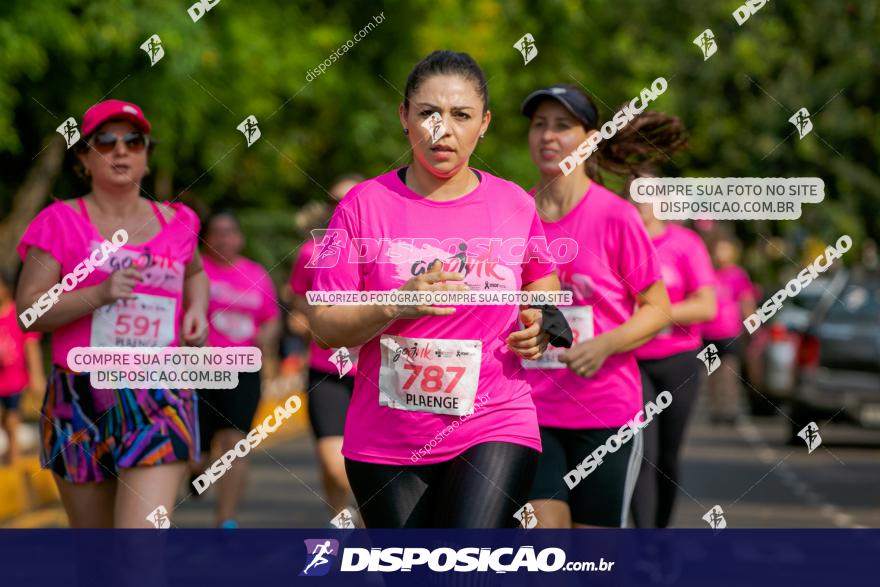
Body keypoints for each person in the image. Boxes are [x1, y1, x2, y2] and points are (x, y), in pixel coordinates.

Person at [306, 50, 561, 528]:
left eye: (461, 115)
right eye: (429, 113)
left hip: (495, 420)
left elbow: (541, 280)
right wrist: (396, 302)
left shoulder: (512, 203)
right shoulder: (364, 206)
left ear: (483, 123)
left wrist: (542, 319)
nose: (443, 129)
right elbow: (324, 325)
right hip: (386, 440)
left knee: (464, 567)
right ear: (404, 117)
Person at [15, 99, 209, 528]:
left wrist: (196, 310)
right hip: (79, 399)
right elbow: (29, 311)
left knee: (138, 551)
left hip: (161, 395)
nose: (121, 150)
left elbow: (195, 273)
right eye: (106, 141)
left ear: (146, 154)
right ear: (84, 157)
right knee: (99, 562)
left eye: (134, 141)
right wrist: (96, 294)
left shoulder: (179, 222)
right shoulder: (59, 221)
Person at [519, 85, 676, 528]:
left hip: (604, 412)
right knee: (543, 535)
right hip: (531, 410)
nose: (548, 136)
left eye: (563, 126)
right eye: (539, 125)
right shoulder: (516, 216)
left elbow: (657, 308)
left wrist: (604, 344)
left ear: (589, 139)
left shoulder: (616, 217)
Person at [629, 171, 717, 528]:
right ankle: (644, 543)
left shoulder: (685, 243)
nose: (641, 202)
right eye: (635, 194)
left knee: (667, 456)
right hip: (631, 362)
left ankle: (661, 535)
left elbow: (706, 306)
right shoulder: (621, 240)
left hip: (678, 362)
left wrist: (655, 313)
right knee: (643, 454)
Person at [193, 210, 280, 528]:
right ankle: (196, 469)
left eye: (230, 232)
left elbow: (271, 318)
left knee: (234, 442)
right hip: (197, 369)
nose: (224, 238)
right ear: (206, 238)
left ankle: (225, 522)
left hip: (243, 369)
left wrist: (265, 340)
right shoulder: (195, 271)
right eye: (217, 232)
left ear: (240, 238)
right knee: (197, 452)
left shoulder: (256, 274)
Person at [289, 174, 363, 522]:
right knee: (334, 466)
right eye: (334, 200)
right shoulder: (310, 252)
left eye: (348, 199)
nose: (341, 206)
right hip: (327, 370)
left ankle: (368, 528)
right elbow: (297, 296)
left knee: (370, 464)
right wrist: (306, 316)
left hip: (374, 375)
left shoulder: (383, 247)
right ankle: (340, 517)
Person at [702, 233, 756, 424]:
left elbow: (746, 301)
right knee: (712, 374)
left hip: (730, 333)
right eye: (719, 249)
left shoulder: (738, 275)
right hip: (708, 333)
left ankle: (730, 409)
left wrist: (751, 325)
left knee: (729, 372)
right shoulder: (708, 273)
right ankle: (715, 409)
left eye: (726, 249)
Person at [0, 268, 45, 466]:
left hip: (15, 380)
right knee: (6, 419)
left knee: (12, 417)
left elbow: (31, 345)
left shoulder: (19, 315)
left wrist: (36, 375)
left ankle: (14, 456)